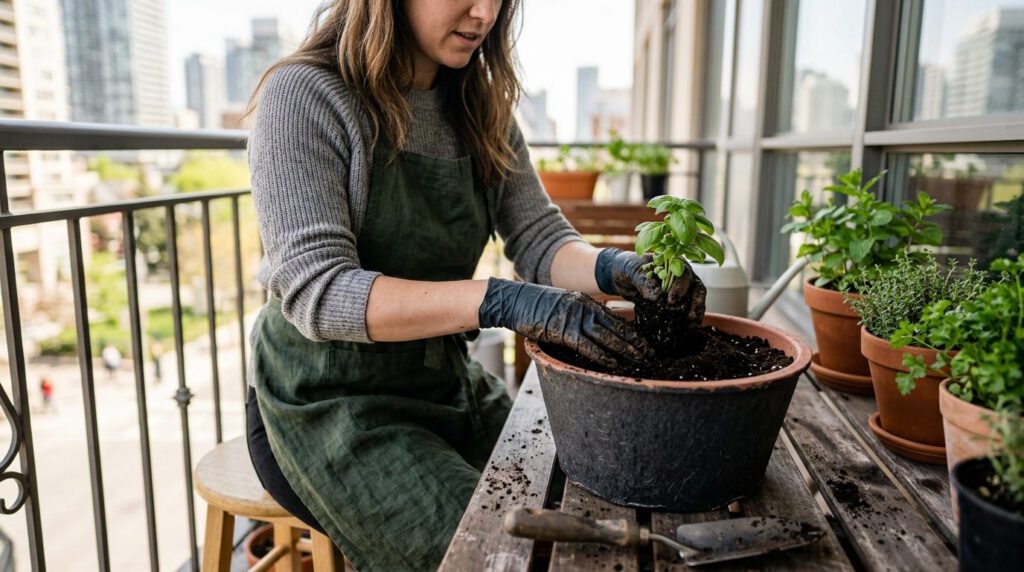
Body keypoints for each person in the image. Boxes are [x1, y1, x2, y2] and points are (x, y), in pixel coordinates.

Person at [243, 1, 707, 570]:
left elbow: (539, 239)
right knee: (497, 555)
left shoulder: (480, 106)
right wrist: (502, 299)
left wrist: (617, 268)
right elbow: (319, 292)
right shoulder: (307, 94)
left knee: (587, 492)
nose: (484, 12)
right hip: (329, 401)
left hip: (441, 381)